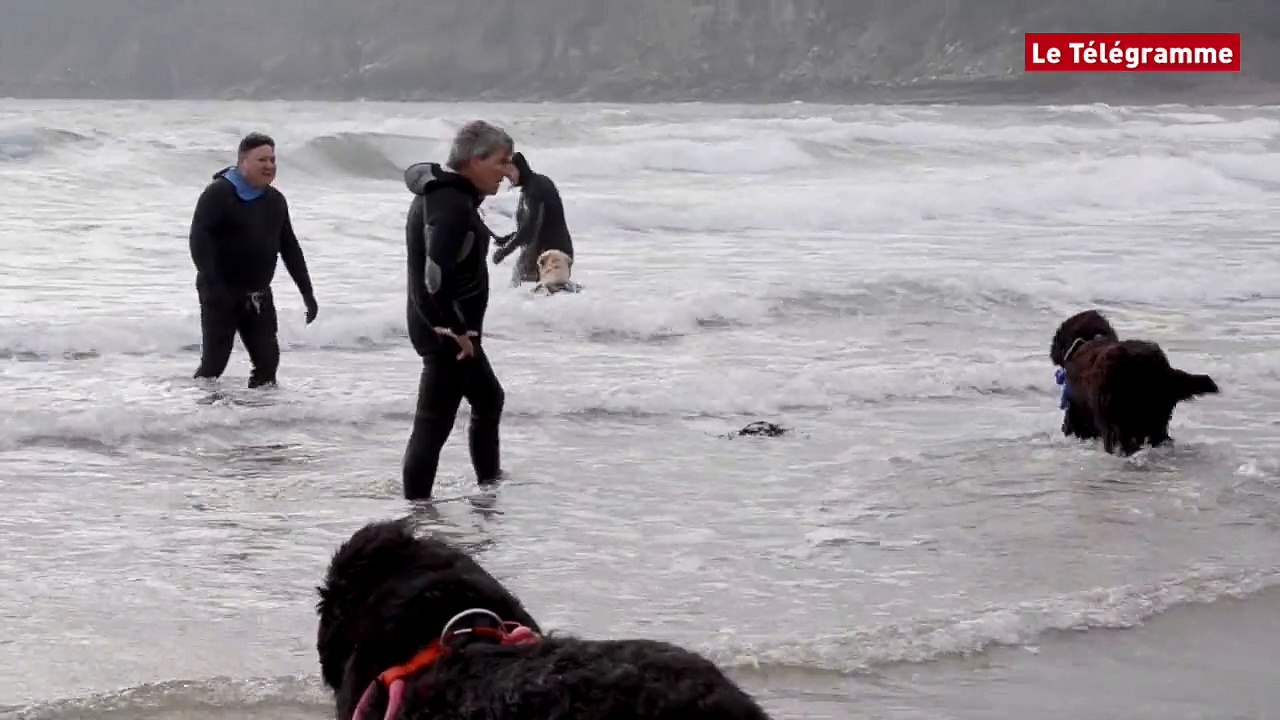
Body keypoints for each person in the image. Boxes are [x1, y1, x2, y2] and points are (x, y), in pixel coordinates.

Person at [401, 120, 515, 500]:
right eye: (501, 162)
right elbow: (435, 276)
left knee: (488, 399)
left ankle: (489, 486)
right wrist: (452, 328)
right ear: (474, 160)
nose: (508, 171)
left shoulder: (449, 192)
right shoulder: (450, 204)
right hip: (445, 332)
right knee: (433, 424)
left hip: (448, 327)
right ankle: (416, 510)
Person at [188, 132, 319, 388]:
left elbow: (290, 247)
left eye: (272, 159)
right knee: (214, 365)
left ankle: (256, 420)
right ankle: (196, 416)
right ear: (243, 162)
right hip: (220, 292)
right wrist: (214, 287)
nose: (269, 165)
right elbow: (198, 242)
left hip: (258, 295)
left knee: (268, 364)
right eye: (262, 160)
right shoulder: (219, 194)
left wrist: (307, 293)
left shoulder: (275, 200)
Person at [491, 151, 574, 287]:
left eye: (508, 173)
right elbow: (535, 225)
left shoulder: (535, 189)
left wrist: (505, 251)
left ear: (516, 168)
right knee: (524, 294)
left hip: (552, 256)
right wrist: (507, 239)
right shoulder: (533, 186)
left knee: (530, 293)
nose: (507, 179)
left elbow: (530, 229)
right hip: (546, 253)